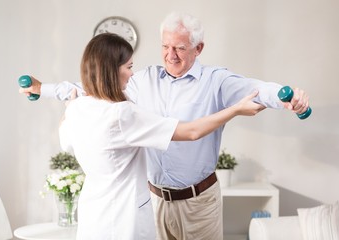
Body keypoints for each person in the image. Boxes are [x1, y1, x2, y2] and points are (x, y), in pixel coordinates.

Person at [20, 12, 310, 240]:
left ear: (198, 48)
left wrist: (289, 98)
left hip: (198, 203)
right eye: (165, 46)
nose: (170, 54)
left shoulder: (216, 81)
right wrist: (43, 89)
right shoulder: (141, 81)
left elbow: (256, 89)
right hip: (153, 200)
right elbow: (94, 90)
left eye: (180, 48)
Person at [59, 32, 265, 240]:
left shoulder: (77, 109)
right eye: (129, 67)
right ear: (111, 71)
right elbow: (191, 131)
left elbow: (66, 142)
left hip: (93, 217)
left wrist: (68, 106)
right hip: (124, 220)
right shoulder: (122, 114)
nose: (132, 75)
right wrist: (236, 109)